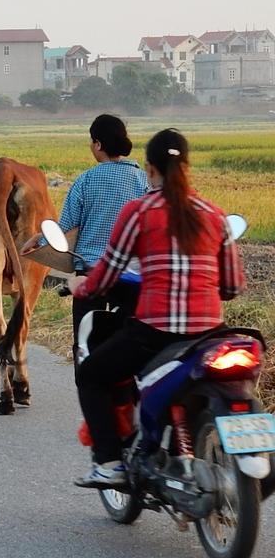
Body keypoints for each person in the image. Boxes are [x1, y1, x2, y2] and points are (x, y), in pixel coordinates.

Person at [69, 129, 244, 488]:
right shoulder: (213, 214)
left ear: (150, 169)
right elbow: (232, 287)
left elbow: (105, 275)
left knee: (91, 375)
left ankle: (109, 463)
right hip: (209, 335)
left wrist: (79, 285)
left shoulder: (139, 212)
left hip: (154, 333)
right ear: (187, 167)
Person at [23, 114, 150, 363]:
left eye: (92, 142)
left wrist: (38, 239)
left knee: (85, 347)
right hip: (133, 277)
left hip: (91, 275)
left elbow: (65, 228)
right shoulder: (142, 179)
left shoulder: (86, 180)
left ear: (98, 145)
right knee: (133, 344)